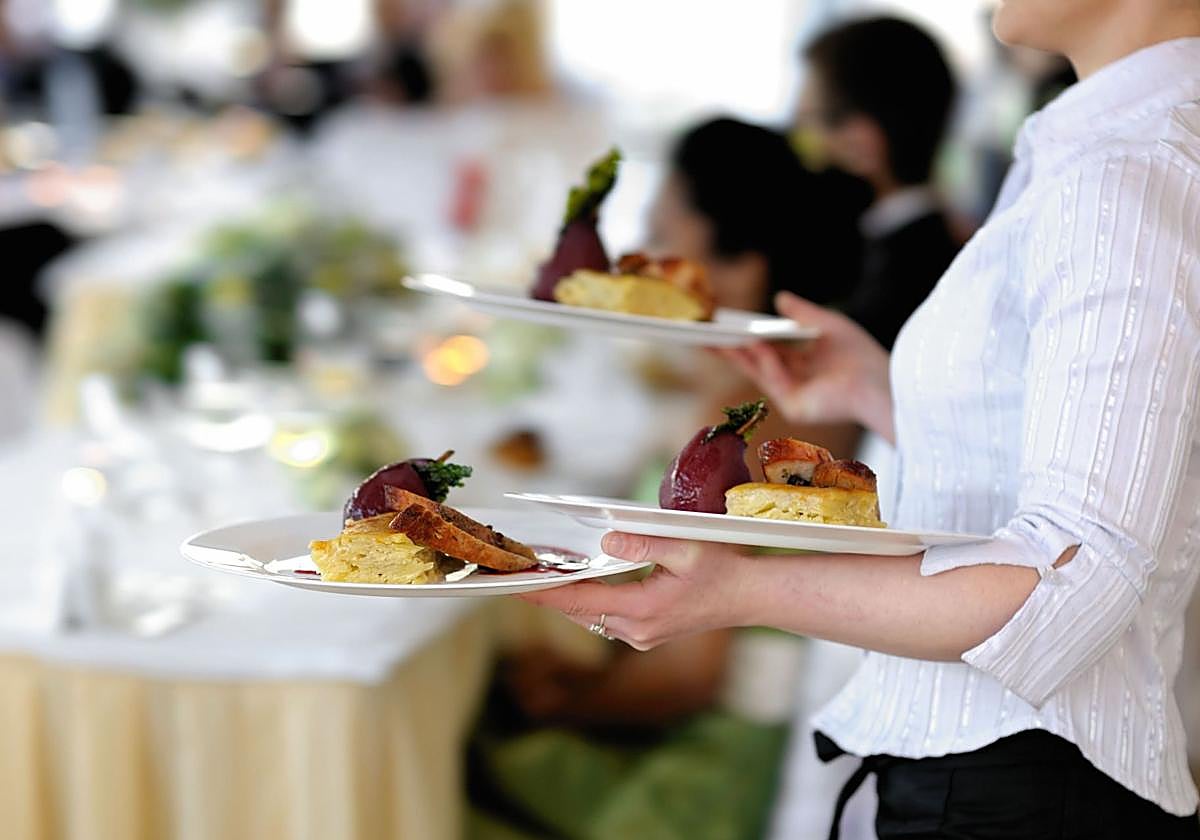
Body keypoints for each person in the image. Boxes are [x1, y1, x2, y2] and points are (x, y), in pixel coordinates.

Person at [522, 1, 1200, 837]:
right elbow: (1059, 473)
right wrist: (883, 394)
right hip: (987, 773)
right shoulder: (1090, 150)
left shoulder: (1128, 170)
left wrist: (741, 587)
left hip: (1019, 792)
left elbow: (1071, 580)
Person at [797, 16, 961, 351]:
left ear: (862, 143)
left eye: (810, 122)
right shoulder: (947, 246)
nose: (802, 142)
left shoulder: (891, 285)